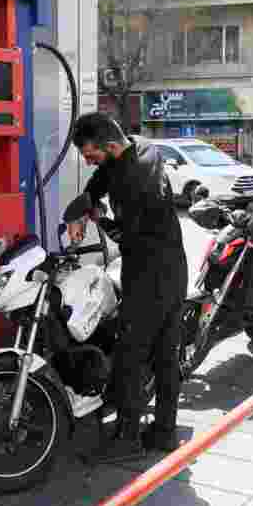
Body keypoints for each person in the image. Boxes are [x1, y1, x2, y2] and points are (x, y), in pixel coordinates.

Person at [66, 112, 188, 461]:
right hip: (174, 267)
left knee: (131, 355)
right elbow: (100, 179)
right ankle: (164, 432)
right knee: (166, 354)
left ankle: (128, 438)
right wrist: (84, 204)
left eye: (91, 155)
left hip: (148, 272)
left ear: (109, 145)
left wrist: (98, 218)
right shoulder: (142, 147)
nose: (89, 162)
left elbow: (125, 237)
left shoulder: (133, 183)